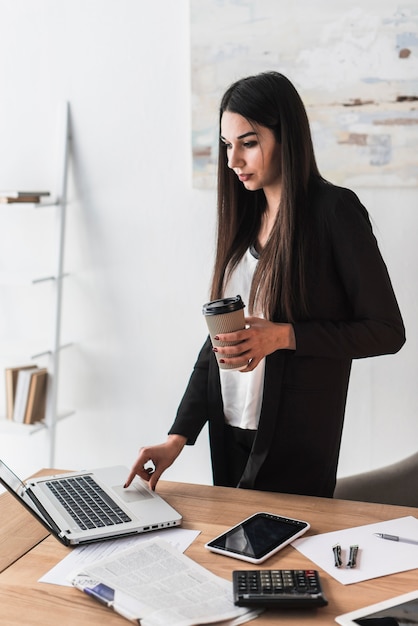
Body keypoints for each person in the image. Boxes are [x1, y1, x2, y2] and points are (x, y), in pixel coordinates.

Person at [125, 71, 405, 497]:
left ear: (286, 137)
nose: (233, 160)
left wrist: (284, 336)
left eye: (248, 143)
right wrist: (177, 437)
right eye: (227, 145)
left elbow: (387, 331)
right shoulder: (243, 220)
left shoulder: (334, 212)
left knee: (278, 563)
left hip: (297, 440)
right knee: (229, 560)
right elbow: (220, 342)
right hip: (229, 430)